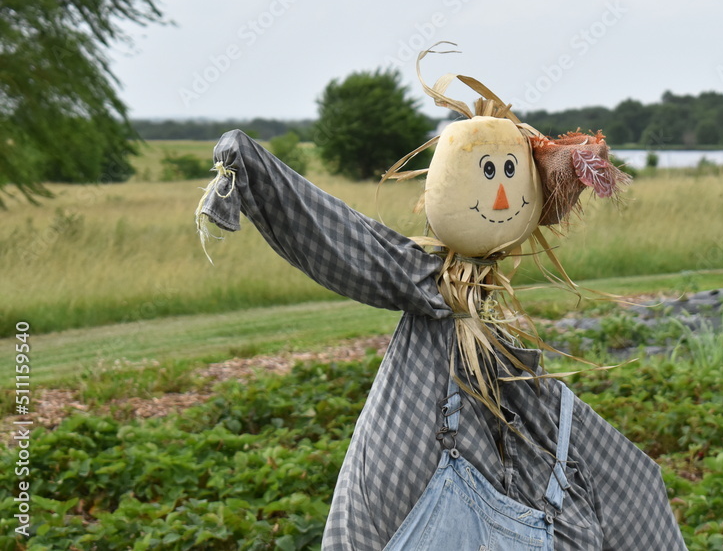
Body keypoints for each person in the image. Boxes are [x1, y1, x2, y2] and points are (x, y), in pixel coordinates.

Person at [196, 52, 688, 550]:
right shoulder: (423, 279)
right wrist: (253, 169)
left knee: (616, 473)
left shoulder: (487, 319)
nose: (500, 198)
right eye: (487, 173)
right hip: (430, 482)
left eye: (511, 176)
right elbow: (343, 238)